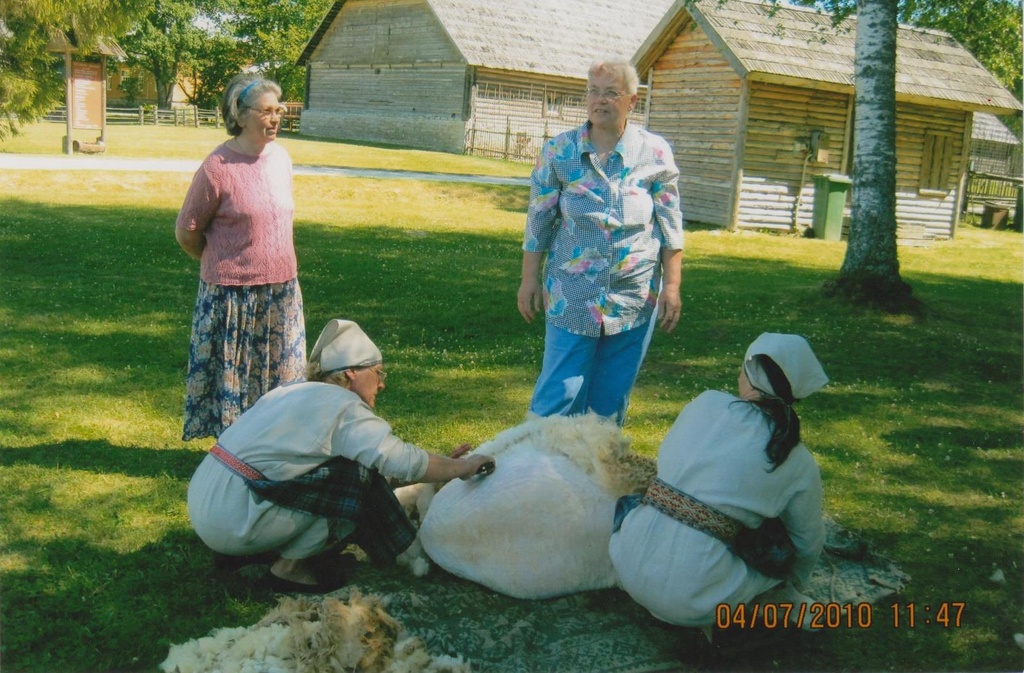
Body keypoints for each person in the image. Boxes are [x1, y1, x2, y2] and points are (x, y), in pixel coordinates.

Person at [187, 319, 496, 593]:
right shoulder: (342, 405)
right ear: (351, 372)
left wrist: (445, 465)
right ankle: (289, 570)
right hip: (235, 517)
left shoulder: (290, 392)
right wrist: (463, 466)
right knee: (354, 481)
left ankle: (245, 552)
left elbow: (384, 462)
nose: (382, 382)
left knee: (351, 471)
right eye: (377, 372)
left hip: (208, 503)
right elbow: (397, 459)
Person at [609, 333, 828, 631]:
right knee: (779, 538)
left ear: (749, 374)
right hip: (693, 601)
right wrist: (794, 581)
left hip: (624, 562)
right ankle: (776, 599)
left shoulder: (706, 403)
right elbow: (808, 540)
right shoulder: (797, 459)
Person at [517, 57, 684, 426]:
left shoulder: (654, 153)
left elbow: (670, 222)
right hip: (572, 293)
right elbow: (539, 220)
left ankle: (595, 479)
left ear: (632, 101)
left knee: (609, 403)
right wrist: (529, 279)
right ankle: (535, 475)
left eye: (611, 92)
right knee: (557, 397)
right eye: (593, 91)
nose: (600, 100)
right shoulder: (559, 152)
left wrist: (672, 285)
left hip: (633, 295)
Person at [175, 73, 305, 441]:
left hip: (280, 291)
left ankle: (273, 451)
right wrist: (220, 261)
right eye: (266, 111)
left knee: (282, 381)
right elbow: (187, 230)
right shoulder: (218, 167)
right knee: (235, 380)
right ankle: (234, 455)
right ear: (240, 114)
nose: (276, 118)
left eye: (278, 110)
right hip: (232, 297)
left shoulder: (281, 158)